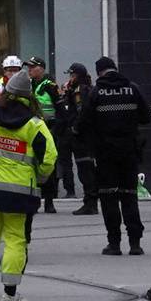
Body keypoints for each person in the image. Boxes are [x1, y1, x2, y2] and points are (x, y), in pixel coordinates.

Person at [0, 71, 58, 301]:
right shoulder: (34, 124)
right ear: (29, 96)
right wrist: (39, 177)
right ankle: (9, 293)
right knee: (16, 240)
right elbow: (49, 156)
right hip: (19, 194)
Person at [82, 55, 151, 256]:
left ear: (99, 72)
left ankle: (114, 243)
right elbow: (146, 117)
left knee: (108, 197)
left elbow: (83, 122)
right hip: (129, 151)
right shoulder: (133, 88)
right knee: (129, 196)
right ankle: (135, 243)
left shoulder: (96, 93)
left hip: (105, 154)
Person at [59, 64, 99, 214]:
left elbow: (81, 112)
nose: (70, 79)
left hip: (82, 137)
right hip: (84, 136)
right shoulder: (79, 89)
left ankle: (90, 202)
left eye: (72, 76)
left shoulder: (79, 91)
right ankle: (90, 201)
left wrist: (75, 128)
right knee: (85, 168)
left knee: (85, 169)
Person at [24, 58, 59, 212]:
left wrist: (57, 130)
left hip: (49, 129)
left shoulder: (50, 86)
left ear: (41, 68)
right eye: (28, 67)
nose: (29, 70)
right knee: (32, 163)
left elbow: (60, 109)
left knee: (48, 163)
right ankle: (35, 199)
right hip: (32, 129)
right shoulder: (28, 85)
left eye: (33, 67)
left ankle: (49, 201)